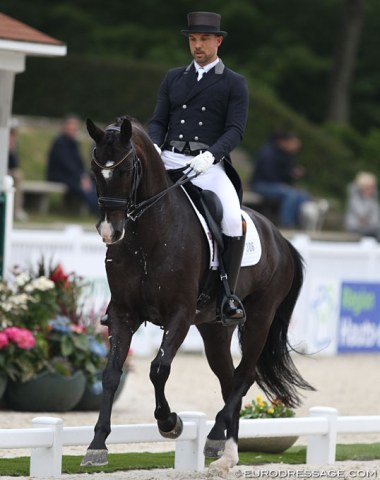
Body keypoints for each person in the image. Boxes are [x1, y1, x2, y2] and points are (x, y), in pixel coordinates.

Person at [148, 11, 249, 325]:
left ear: (217, 41)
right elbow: (158, 120)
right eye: (193, 39)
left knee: (233, 220)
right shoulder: (174, 77)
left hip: (207, 164)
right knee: (133, 203)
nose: (198, 45)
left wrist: (212, 155)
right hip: (168, 158)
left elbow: (235, 130)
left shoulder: (234, 83)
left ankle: (227, 296)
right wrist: (153, 145)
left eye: (204, 39)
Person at [250, 131, 328, 230]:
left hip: (277, 185)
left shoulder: (287, 154)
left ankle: (300, 223)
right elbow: (268, 174)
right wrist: (285, 181)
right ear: (285, 142)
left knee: (303, 195)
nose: (296, 148)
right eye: (295, 145)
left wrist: (292, 173)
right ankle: (287, 225)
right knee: (290, 194)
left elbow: (286, 175)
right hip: (261, 184)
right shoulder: (268, 152)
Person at [46, 114, 98, 215]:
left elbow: (79, 163)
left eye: (75, 127)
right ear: (65, 126)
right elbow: (66, 164)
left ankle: (104, 206)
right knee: (83, 187)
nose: (74, 129)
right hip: (59, 175)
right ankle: (97, 210)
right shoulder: (59, 142)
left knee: (95, 180)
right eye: (72, 126)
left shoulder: (73, 143)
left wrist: (84, 176)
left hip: (72, 175)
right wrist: (81, 177)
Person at [344, 171, 380, 239]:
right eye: (369, 187)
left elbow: (376, 218)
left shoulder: (373, 199)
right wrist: (368, 199)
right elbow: (362, 214)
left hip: (371, 229)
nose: (372, 189)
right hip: (355, 229)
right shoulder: (354, 199)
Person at [8, 119, 28, 221]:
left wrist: (11, 151)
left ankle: (16, 210)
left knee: (17, 175)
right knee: (17, 175)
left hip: (8, 171)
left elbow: (15, 164)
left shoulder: (14, 145)